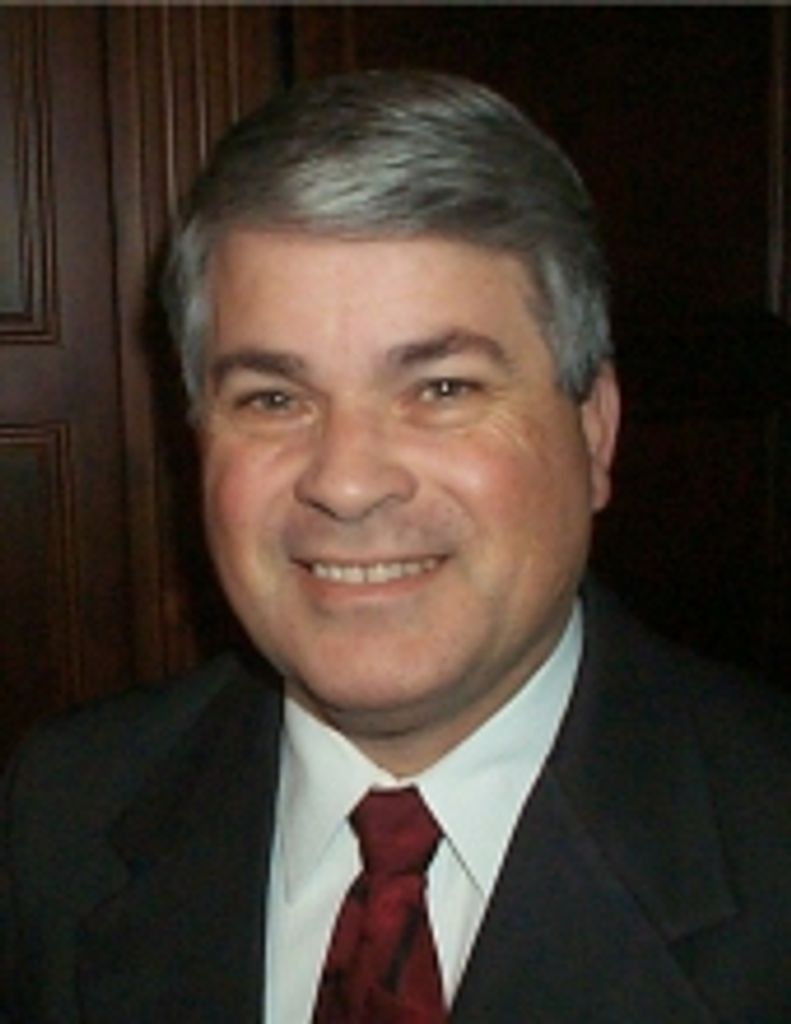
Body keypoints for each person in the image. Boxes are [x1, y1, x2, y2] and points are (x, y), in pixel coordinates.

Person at [2, 70, 789, 1024]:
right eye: (272, 398)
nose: (345, 481)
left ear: (593, 433)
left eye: (442, 389)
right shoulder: (62, 814)